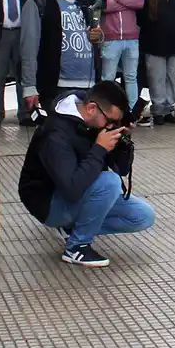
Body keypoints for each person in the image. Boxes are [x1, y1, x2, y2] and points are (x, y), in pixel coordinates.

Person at [17, 79, 155, 268]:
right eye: (110, 121)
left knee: (142, 216)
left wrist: (122, 141)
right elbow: (71, 189)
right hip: (48, 201)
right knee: (109, 183)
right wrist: (99, 149)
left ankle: (71, 228)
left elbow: (122, 170)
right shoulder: (56, 132)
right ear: (91, 108)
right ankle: (76, 247)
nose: (111, 126)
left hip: (78, 190)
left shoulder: (93, 121)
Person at [21, 0, 102, 116]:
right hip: (57, 87)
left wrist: (98, 36)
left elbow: (90, 30)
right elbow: (29, 46)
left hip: (89, 84)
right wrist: (29, 86)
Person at [94, 0, 145, 116]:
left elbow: (140, 2)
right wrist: (128, 1)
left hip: (132, 37)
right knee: (108, 78)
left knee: (131, 77)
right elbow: (105, 5)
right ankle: (106, 112)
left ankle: (132, 113)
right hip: (111, 38)